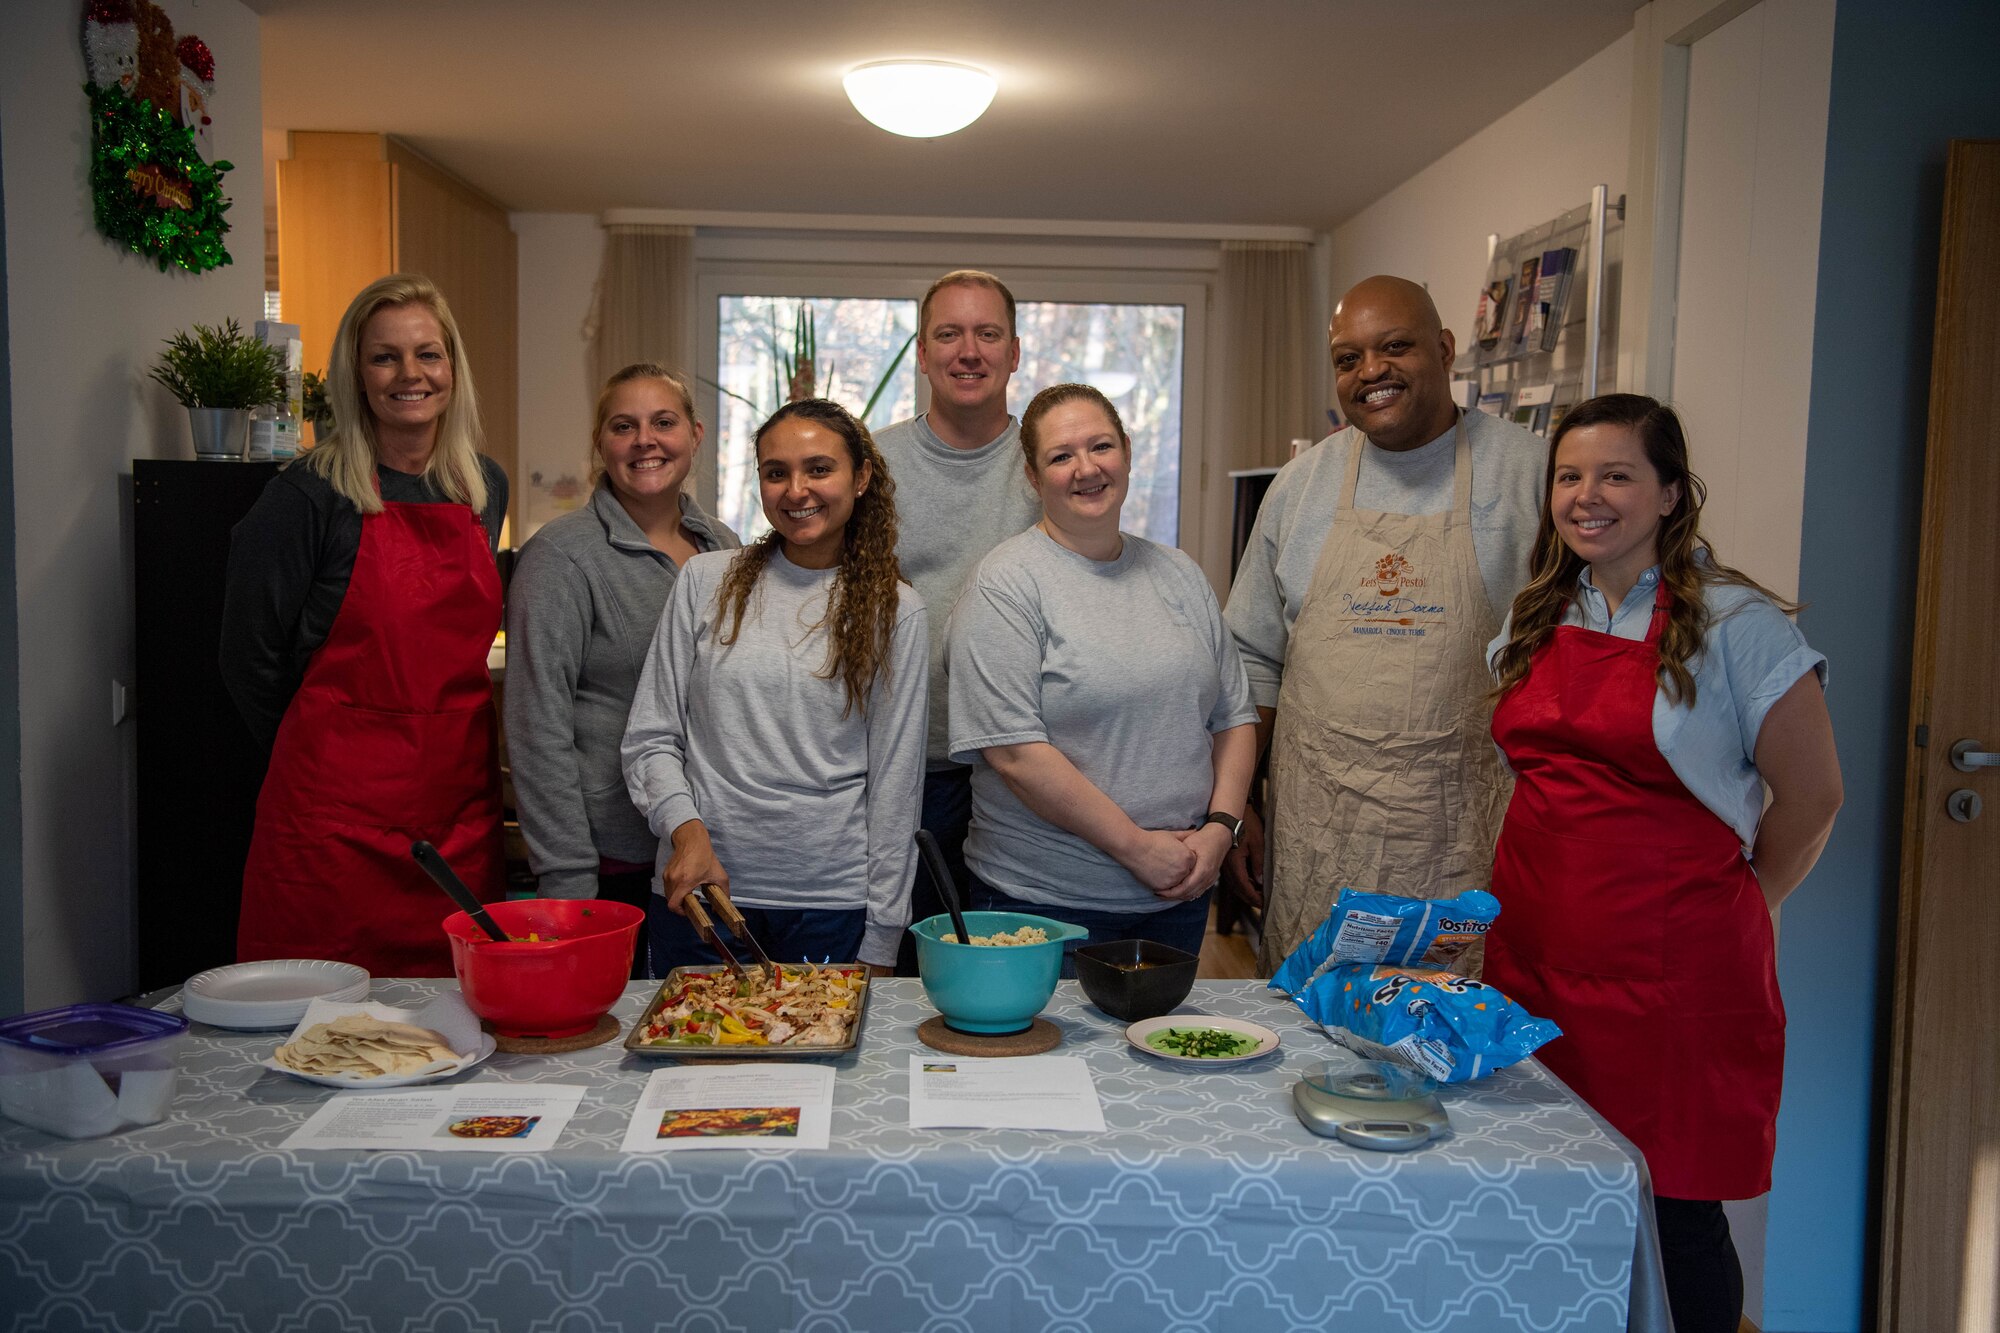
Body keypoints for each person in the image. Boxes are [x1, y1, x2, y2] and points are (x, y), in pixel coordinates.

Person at [1482, 394, 1841, 1333]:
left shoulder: (1738, 622)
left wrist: (1746, 901)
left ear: (1672, 493)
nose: (1587, 495)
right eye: (1570, 475)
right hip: (1533, 956)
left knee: (1674, 1209)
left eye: (1616, 474)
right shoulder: (1540, 610)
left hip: (1674, 975)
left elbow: (1814, 796)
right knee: (1545, 1189)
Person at [1225, 274, 1546, 973]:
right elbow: (1251, 661)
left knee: (1450, 1045)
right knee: (1317, 1038)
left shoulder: (1534, 474)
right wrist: (1241, 802)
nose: (1371, 371)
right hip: (1322, 834)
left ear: (1446, 348)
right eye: (1348, 358)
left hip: (1466, 842)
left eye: (1395, 346)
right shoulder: (1299, 487)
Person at [223, 274, 509, 976]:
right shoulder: (306, 495)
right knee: (320, 1031)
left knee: (459, 1025)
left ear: (452, 369)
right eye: (385, 357)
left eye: (428, 354)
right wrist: (323, 750)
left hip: (456, 816)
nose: (410, 374)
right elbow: (247, 657)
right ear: (356, 373)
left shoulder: (483, 487)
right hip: (332, 829)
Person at [948, 384, 1259, 974]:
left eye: (1100, 446)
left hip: (1178, 896)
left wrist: (1220, 831)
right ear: (1034, 478)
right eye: (1061, 456)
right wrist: (1137, 849)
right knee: (1039, 1066)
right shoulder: (1005, 586)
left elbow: (1234, 717)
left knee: (1156, 1061)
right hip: (1042, 906)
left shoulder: (1179, 574)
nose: (1086, 468)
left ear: (1128, 453)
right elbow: (1015, 753)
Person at [621, 399, 927, 975]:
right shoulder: (704, 581)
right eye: (775, 471)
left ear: (860, 477)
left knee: (822, 1064)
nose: (796, 490)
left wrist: (883, 936)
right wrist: (685, 834)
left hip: (831, 906)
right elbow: (651, 737)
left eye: (819, 468)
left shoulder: (896, 611)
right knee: (694, 1062)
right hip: (703, 896)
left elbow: (896, 787)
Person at [504, 364, 739, 976]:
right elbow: (536, 725)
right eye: (623, 425)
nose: (645, 440)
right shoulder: (560, 557)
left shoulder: (726, 549)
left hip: (710, 848)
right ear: (600, 443)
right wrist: (567, 875)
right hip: (614, 859)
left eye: (663, 422)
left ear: (695, 434)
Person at [873, 270, 1040, 972]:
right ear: (921, 350)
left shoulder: (1051, 460)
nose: (968, 350)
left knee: (1010, 964)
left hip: (1029, 766)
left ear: (1015, 351)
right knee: (914, 968)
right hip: (913, 765)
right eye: (949, 333)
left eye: (987, 333)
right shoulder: (873, 464)